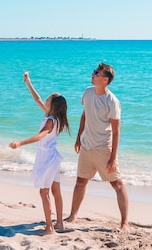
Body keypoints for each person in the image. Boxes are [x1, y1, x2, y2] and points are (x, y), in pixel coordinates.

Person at [66, 62, 129, 231]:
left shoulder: (112, 102)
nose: (93, 74)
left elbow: (116, 132)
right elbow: (85, 115)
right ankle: (72, 215)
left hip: (104, 148)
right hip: (87, 147)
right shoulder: (87, 92)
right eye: (94, 71)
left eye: (96, 73)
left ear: (105, 80)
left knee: (117, 185)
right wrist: (79, 137)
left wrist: (113, 157)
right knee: (80, 182)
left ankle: (124, 224)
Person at [9, 71, 70, 235]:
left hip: (47, 158)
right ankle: (60, 224)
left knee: (44, 192)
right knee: (56, 191)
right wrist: (28, 83)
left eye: (49, 99)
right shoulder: (53, 117)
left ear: (53, 105)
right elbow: (37, 99)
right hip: (53, 157)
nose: (46, 100)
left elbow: (40, 135)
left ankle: (49, 228)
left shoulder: (50, 120)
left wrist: (20, 143)